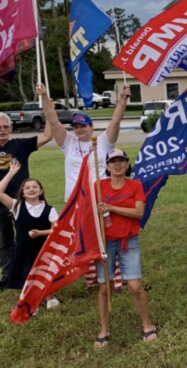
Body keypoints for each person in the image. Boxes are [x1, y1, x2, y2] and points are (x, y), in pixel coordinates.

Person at [39, 82, 128, 289]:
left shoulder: (103, 142)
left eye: (83, 126)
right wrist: (44, 96)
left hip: (101, 197)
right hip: (76, 199)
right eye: (76, 126)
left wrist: (123, 100)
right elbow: (53, 122)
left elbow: (115, 121)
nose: (79, 129)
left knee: (107, 236)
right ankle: (91, 279)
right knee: (83, 237)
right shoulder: (69, 142)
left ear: (91, 127)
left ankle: (115, 277)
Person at [94, 149, 156, 348]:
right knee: (105, 288)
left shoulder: (135, 185)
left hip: (128, 241)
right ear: (107, 166)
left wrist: (112, 208)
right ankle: (104, 329)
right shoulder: (99, 185)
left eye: (121, 161)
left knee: (135, 286)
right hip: (105, 242)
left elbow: (139, 212)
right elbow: (89, 214)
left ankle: (147, 325)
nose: (117, 165)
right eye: (113, 161)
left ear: (128, 164)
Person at [0, 112, 52, 287]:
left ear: (11, 128)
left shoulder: (20, 145)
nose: (2, 130)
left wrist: (49, 111)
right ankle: (8, 277)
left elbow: (47, 136)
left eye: (5, 127)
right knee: (4, 241)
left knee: (26, 239)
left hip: (22, 203)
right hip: (1, 202)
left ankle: (31, 274)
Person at [0, 160, 59, 309]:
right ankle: (30, 301)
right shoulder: (17, 206)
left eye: (35, 187)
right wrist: (11, 173)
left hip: (44, 247)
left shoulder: (49, 210)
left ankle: (49, 297)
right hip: (24, 249)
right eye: (27, 188)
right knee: (27, 274)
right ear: (23, 193)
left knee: (45, 274)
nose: (31, 189)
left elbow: (59, 230)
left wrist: (41, 233)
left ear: (41, 191)